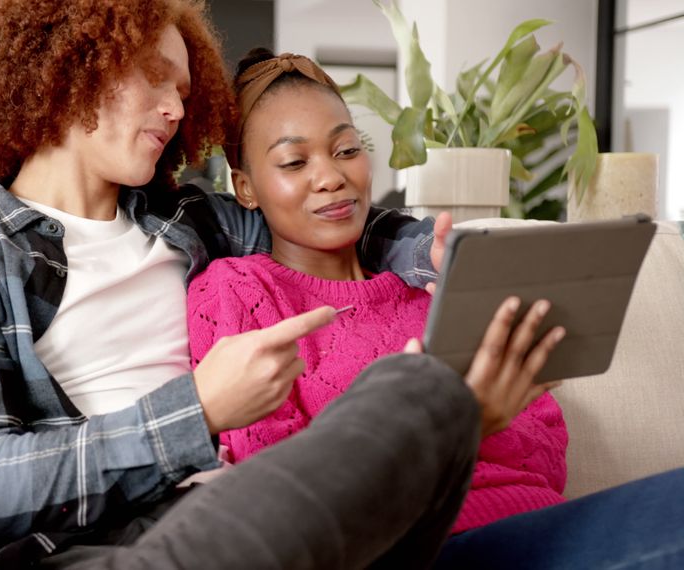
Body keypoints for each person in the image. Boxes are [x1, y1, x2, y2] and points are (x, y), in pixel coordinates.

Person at [0, 1, 562, 568]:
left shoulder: (190, 221)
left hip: (253, 519)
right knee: (408, 391)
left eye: (183, 91)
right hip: (101, 554)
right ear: (67, 70)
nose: (177, 111)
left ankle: (438, 427)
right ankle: (439, 417)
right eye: (154, 79)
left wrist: (433, 255)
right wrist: (197, 412)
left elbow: (332, 217)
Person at [187, 48, 684, 569]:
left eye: (347, 149)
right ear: (245, 188)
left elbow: (542, 451)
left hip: (536, 527)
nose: (330, 176)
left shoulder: (437, 281)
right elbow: (278, 495)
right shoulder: (237, 292)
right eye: (294, 161)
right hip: (416, 550)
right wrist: (458, 428)